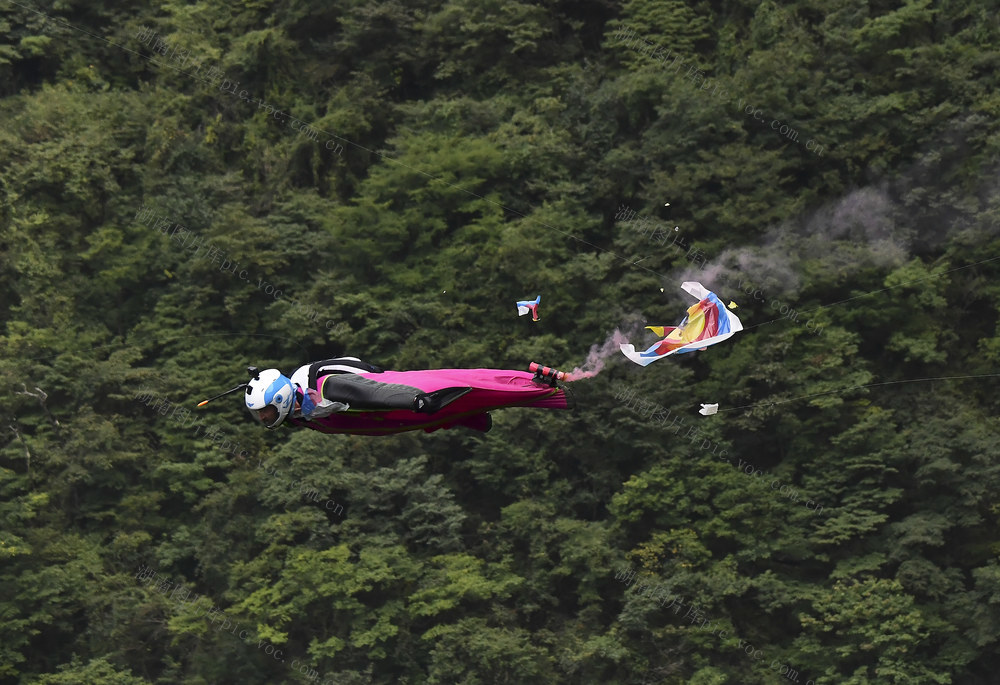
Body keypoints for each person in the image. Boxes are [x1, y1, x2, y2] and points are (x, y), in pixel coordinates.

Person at [242, 356, 572, 435]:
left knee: (437, 401)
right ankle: (459, 417)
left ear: (282, 399)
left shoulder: (328, 387)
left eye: (267, 412)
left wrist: (413, 399)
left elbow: (369, 392)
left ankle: (537, 384)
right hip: (382, 417)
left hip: (392, 393)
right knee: (428, 418)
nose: (265, 419)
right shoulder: (298, 409)